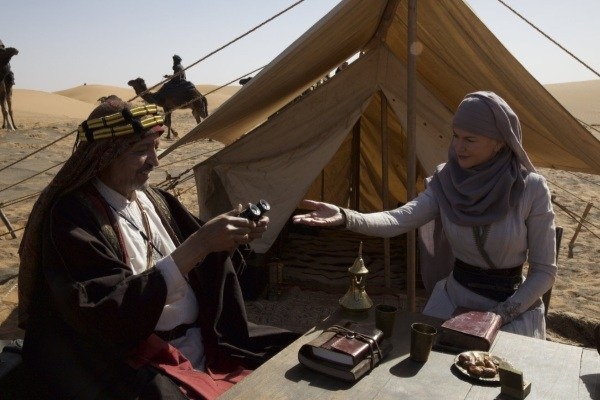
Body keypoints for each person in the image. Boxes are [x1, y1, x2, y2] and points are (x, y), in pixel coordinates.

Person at [17, 97, 298, 399]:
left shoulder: (156, 200)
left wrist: (228, 238)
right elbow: (106, 312)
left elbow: (206, 266)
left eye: (155, 147)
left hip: (204, 338)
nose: (155, 161)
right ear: (104, 156)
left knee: (296, 353)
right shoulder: (72, 217)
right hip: (134, 357)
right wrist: (200, 243)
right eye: (141, 151)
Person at [293, 91, 557, 339]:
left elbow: (544, 271)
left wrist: (501, 315)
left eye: (470, 139)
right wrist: (346, 216)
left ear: (499, 143)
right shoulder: (446, 181)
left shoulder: (530, 189)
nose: (458, 146)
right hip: (453, 303)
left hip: (512, 312)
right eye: (456, 136)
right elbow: (399, 218)